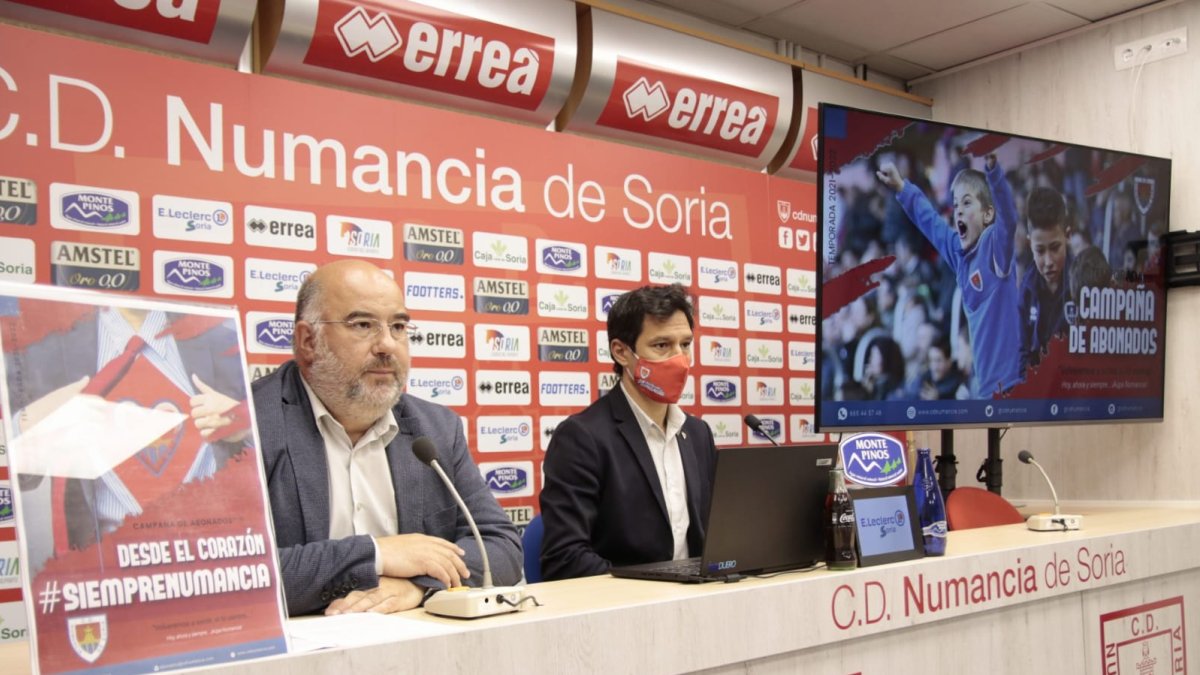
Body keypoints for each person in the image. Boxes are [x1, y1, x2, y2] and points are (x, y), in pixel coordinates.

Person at [252, 260, 521, 615]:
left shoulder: (436, 429)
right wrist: (377, 554)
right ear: (308, 341)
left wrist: (419, 586)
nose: (387, 345)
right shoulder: (249, 424)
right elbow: (228, 575)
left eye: (398, 327)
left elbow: (500, 547)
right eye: (363, 325)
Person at [4, 303, 249, 576]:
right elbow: (20, 471)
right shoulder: (48, 343)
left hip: (212, 562)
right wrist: (30, 422)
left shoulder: (222, 339)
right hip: (104, 573)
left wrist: (243, 424)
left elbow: (265, 463)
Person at [539, 283, 717, 580]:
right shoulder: (582, 438)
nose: (679, 360)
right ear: (621, 352)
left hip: (698, 605)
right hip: (623, 612)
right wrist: (657, 587)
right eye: (662, 346)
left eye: (685, 345)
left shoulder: (698, 434)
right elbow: (564, 558)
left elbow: (715, 540)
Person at [878, 153, 1022, 398]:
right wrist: (902, 187)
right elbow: (931, 222)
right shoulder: (959, 253)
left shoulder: (995, 246)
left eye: (967, 203)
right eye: (955, 205)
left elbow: (1008, 219)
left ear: (988, 215)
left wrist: (994, 172)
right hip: (984, 388)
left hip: (1011, 387)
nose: (958, 212)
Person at [1018, 187, 1072, 372]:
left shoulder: (1086, 286)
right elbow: (1020, 353)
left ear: (1068, 236)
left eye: (1055, 248)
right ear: (1029, 243)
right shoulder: (1026, 289)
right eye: (1039, 251)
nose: (1048, 262)